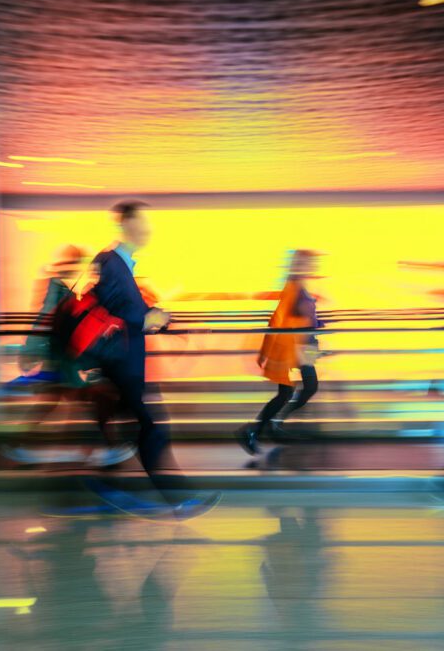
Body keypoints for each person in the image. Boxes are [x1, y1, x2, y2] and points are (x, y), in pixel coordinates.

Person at [88, 201, 217, 516]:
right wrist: (148, 317)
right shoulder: (110, 262)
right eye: (143, 221)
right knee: (151, 428)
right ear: (126, 223)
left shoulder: (123, 264)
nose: (148, 229)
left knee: (131, 430)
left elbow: (130, 311)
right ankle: (179, 500)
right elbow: (120, 312)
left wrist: (168, 323)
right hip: (121, 363)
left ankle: (102, 485)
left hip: (125, 364)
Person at [3, 244, 134, 467]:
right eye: (74, 262)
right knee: (90, 397)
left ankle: (22, 445)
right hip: (63, 359)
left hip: (66, 359)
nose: (77, 267)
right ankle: (101, 448)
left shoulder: (67, 290)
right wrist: (30, 352)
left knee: (64, 401)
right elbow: (43, 319)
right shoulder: (56, 288)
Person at [237, 250, 322, 456]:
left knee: (305, 388)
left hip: (305, 347)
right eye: (310, 263)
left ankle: (267, 426)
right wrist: (267, 353)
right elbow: (277, 322)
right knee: (294, 391)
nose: (313, 266)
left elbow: (305, 318)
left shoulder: (300, 285)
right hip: (295, 349)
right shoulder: (293, 287)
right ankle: (255, 429)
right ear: (300, 265)